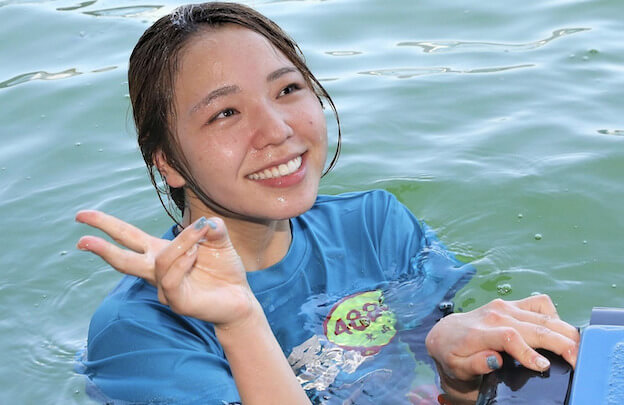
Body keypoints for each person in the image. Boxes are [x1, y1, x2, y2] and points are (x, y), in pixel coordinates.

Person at [75, 3, 580, 404]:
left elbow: (435, 381)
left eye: (288, 89)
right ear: (167, 162)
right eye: (225, 112)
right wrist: (238, 322)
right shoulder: (138, 333)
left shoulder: (376, 226)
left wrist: (462, 380)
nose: (278, 130)